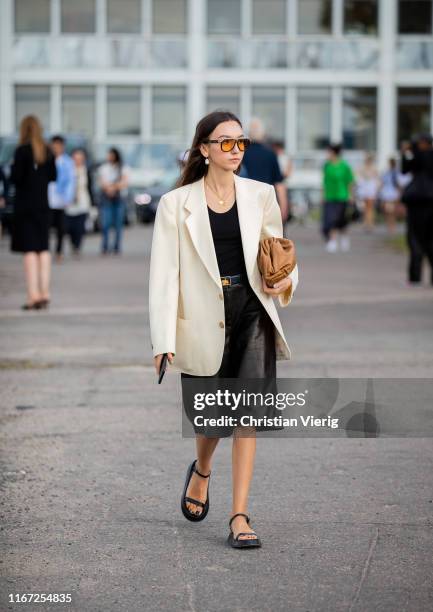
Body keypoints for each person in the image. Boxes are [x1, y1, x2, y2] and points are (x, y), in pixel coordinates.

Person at [148, 110, 299, 549]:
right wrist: (163, 338)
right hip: (200, 315)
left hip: (253, 309)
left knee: (247, 414)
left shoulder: (261, 195)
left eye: (241, 143)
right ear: (204, 149)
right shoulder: (176, 205)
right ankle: (201, 470)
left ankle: (239, 515)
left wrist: (286, 280)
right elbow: (163, 276)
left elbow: (279, 254)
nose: (235, 151)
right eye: (226, 143)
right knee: (213, 417)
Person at [9, 115, 57, 310]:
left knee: (29, 251)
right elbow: (53, 176)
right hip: (43, 206)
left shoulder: (21, 151)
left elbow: (15, 178)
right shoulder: (47, 150)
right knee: (43, 250)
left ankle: (33, 295)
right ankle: (45, 292)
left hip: (25, 207)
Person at [241, 118, 290, 223]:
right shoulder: (270, 154)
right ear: (263, 134)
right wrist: (283, 206)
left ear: (248, 134)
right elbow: (279, 183)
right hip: (267, 201)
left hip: (245, 201)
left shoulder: (241, 153)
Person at [400, 134, 433, 286]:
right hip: (428, 201)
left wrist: (407, 152)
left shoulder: (419, 156)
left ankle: (415, 276)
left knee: (415, 239)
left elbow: (405, 169)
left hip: (417, 202)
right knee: (430, 239)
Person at [322, 143, 355, 253]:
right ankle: (332, 241)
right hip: (330, 196)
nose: (327, 154)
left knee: (342, 220)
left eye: (329, 152)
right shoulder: (327, 165)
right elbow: (324, 181)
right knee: (331, 219)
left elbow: (349, 181)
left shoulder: (344, 166)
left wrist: (350, 195)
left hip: (342, 196)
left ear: (334, 152)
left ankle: (344, 238)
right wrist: (323, 194)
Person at [48, 135, 76, 263]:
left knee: (60, 228)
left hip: (61, 200)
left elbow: (71, 181)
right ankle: (45, 251)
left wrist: (68, 197)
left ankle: (59, 252)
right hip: (47, 199)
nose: (57, 148)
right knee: (46, 228)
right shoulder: (47, 159)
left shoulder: (67, 162)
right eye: (55, 145)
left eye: (59, 145)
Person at [97, 148, 129, 255]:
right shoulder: (103, 168)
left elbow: (125, 182)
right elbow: (101, 182)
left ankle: (116, 246)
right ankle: (105, 246)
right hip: (106, 198)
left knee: (118, 224)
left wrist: (113, 188)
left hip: (119, 198)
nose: (109, 157)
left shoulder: (123, 167)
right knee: (105, 223)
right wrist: (109, 188)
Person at [65, 148, 94, 257]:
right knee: (70, 226)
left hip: (83, 200)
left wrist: (93, 204)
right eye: (75, 158)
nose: (78, 160)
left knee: (80, 227)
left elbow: (89, 187)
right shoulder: (68, 170)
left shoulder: (86, 170)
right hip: (69, 201)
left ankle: (77, 246)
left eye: (80, 158)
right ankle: (73, 243)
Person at [356, 153, 380, 232]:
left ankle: (370, 223)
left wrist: (376, 189)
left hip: (370, 189)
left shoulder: (373, 169)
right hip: (365, 189)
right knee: (366, 207)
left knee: (370, 207)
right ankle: (366, 222)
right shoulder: (363, 168)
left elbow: (376, 179)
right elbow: (358, 176)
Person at [379, 158, 401, 235]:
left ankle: (391, 226)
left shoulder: (394, 173)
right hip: (390, 194)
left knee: (390, 211)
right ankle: (391, 226)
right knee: (390, 211)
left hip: (390, 194)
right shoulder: (390, 172)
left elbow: (398, 184)